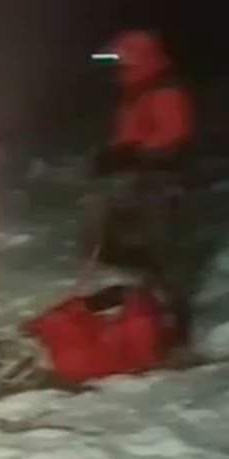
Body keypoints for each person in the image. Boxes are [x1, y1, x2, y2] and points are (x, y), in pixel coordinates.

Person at [83, 29, 195, 344]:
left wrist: (133, 153)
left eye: (121, 63)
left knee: (161, 256)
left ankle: (177, 332)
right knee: (118, 242)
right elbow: (130, 135)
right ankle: (139, 314)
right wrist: (113, 155)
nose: (116, 70)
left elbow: (174, 136)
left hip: (162, 182)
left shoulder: (165, 91)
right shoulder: (136, 92)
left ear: (139, 61)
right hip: (139, 181)